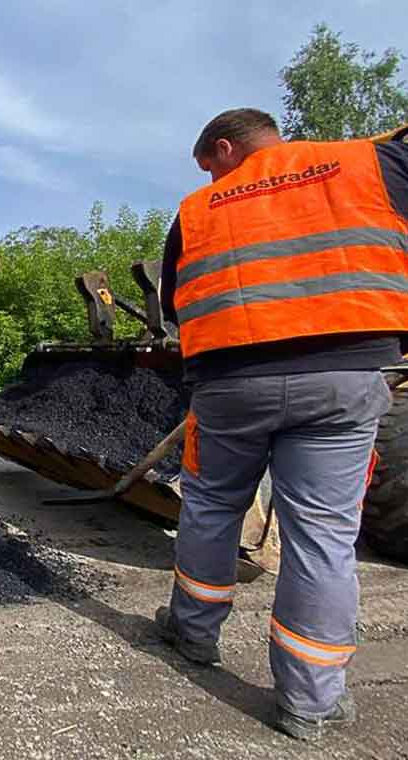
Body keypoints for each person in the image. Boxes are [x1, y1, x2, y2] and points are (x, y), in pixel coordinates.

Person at [155, 108, 408, 741]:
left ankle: (192, 632)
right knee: (322, 536)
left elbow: (174, 307)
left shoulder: (196, 211)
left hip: (229, 386)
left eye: (209, 167)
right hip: (344, 379)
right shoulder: (373, 163)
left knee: (210, 507)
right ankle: (309, 701)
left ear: (224, 147)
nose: (209, 179)